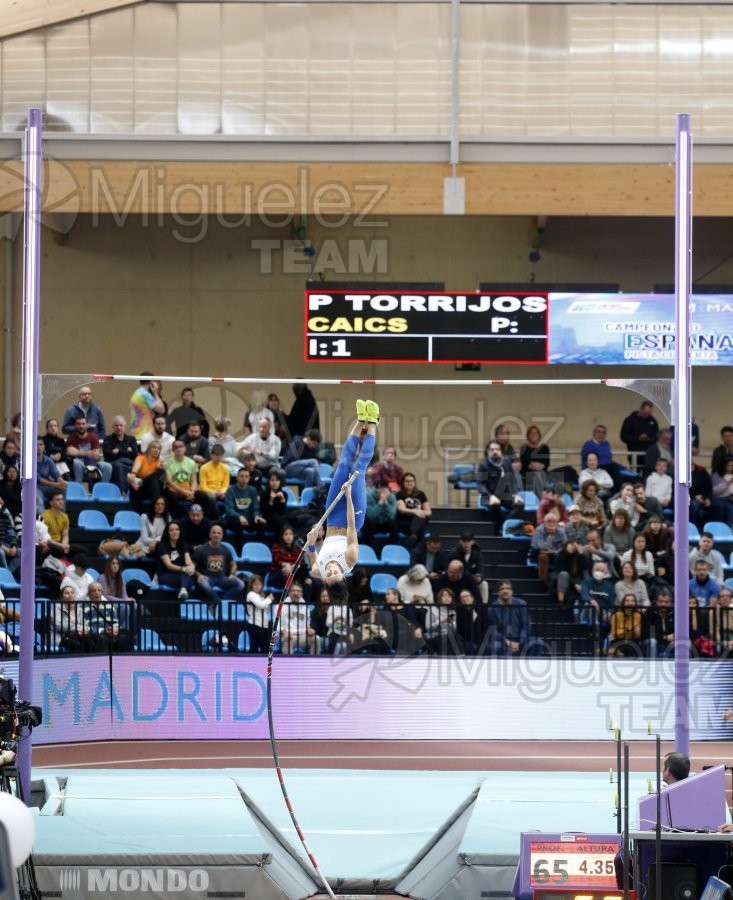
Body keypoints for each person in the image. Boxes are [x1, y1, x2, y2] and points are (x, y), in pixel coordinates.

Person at [305, 400, 379, 601]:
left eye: (328, 575)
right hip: (352, 517)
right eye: (334, 574)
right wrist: (348, 497)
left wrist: (312, 542)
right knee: (359, 468)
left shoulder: (317, 570)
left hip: (332, 518)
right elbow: (352, 528)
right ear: (343, 576)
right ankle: (372, 422)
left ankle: (360, 419)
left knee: (343, 464)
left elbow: (312, 552)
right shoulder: (350, 559)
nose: (329, 570)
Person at [192, 523, 245, 613]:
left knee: (241, 584)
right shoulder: (201, 549)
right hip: (207, 578)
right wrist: (199, 575)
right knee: (203, 583)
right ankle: (219, 603)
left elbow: (233, 564)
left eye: (218, 533)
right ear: (209, 534)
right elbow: (191, 566)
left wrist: (232, 574)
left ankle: (216, 604)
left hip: (222, 578)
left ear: (222, 535)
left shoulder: (225, 549)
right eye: (214, 533)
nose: (216, 535)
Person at [476, 440, 525, 531]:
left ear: (501, 451)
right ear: (488, 451)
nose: (495, 452)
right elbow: (480, 485)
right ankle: (504, 527)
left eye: (497, 449)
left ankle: (504, 526)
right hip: (489, 495)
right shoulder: (483, 465)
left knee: (520, 504)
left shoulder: (506, 462)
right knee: (494, 505)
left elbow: (512, 480)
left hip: (505, 495)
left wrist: (516, 495)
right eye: (492, 449)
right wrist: (490, 496)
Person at [487, 580, 539, 657]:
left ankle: (533, 666)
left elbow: (526, 625)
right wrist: (507, 642)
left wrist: (520, 642)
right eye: (502, 589)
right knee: (496, 646)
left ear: (512, 591)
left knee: (537, 642)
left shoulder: (521, 604)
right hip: (503, 639)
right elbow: (493, 629)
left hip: (520, 637)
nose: (505, 591)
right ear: (498, 592)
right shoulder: (492, 608)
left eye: (508, 588)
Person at [82, 581, 132, 652]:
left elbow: (115, 621)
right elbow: (86, 626)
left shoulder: (108, 605)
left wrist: (115, 629)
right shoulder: (84, 607)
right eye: (94, 591)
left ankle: (123, 662)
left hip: (110, 633)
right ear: (89, 594)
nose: (97, 593)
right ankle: (103, 662)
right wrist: (102, 631)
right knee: (102, 639)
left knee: (125, 637)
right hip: (96, 635)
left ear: (102, 593)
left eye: (99, 590)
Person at [223, 467, 266, 549]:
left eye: (246, 477)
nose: (244, 479)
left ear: (249, 478)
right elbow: (229, 509)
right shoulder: (231, 490)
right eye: (241, 476)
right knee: (237, 525)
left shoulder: (252, 490)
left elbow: (255, 506)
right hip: (234, 519)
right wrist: (239, 517)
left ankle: (256, 548)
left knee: (262, 524)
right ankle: (239, 550)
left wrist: (256, 515)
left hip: (248, 518)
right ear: (237, 477)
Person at [66, 415, 113, 484]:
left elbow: (96, 455)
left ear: (87, 425)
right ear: (75, 425)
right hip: (80, 465)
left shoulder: (93, 437)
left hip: (94, 463)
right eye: (78, 424)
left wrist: (77, 452)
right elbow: (69, 452)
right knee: (76, 461)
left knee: (108, 466)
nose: (81, 426)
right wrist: (89, 453)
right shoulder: (71, 438)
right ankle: (78, 488)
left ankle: (101, 489)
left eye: (83, 424)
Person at [154, 520, 195, 598]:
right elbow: (169, 565)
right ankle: (184, 592)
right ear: (167, 533)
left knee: (188, 576)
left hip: (180, 575)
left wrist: (191, 567)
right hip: (165, 575)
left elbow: (188, 561)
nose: (174, 532)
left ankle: (183, 590)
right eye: (171, 530)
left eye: (177, 529)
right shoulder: (161, 546)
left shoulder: (183, 545)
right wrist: (183, 569)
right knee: (188, 580)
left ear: (180, 531)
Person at [103, 415, 139, 494]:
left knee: (137, 468)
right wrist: (127, 451)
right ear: (113, 427)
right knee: (119, 467)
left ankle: (135, 493)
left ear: (125, 427)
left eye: (121, 425)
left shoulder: (131, 439)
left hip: (129, 463)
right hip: (115, 464)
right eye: (116, 425)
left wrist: (119, 451)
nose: (119, 428)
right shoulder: (107, 439)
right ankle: (121, 492)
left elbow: (134, 454)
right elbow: (108, 455)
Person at [580, 424, 624, 489]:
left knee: (622, 470)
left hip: (607, 468)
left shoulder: (606, 444)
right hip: (596, 468)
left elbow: (608, 458)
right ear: (594, 433)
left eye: (603, 433)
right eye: (598, 432)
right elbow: (589, 459)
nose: (601, 434)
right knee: (615, 470)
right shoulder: (588, 444)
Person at [620, 400, 659, 471]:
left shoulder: (653, 421)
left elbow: (657, 437)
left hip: (648, 455)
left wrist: (649, 439)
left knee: (648, 476)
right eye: (645, 413)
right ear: (641, 409)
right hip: (634, 454)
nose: (647, 415)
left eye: (649, 413)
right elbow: (624, 436)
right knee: (635, 476)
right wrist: (637, 438)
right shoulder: (629, 420)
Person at [128, 440, 165, 512]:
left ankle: (141, 481)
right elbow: (136, 467)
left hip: (150, 488)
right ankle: (156, 511)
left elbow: (164, 480)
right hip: (141, 489)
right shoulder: (141, 458)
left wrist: (162, 468)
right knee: (154, 481)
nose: (156, 450)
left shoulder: (160, 462)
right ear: (148, 449)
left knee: (159, 474)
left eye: (158, 448)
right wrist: (133, 474)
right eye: (154, 447)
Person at [450, 532, 488, 603]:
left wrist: (479, 576)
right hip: (458, 580)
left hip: (473, 581)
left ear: (473, 542)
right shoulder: (454, 553)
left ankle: (483, 608)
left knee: (484, 584)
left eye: (469, 541)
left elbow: (480, 569)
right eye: (464, 541)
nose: (466, 544)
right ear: (460, 542)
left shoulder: (477, 554)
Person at [163, 439, 199, 515]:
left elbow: (194, 480)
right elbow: (169, 481)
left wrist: (192, 492)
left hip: (188, 488)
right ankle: (173, 518)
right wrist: (184, 492)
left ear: (185, 448)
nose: (178, 449)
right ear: (173, 450)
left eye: (181, 446)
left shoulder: (192, 462)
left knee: (203, 496)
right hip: (174, 489)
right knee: (173, 497)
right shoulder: (167, 463)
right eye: (176, 447)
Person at [530, 513, 566, 587]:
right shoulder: (539, 530)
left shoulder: (561, 531)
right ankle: (543, 582)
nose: (551, 524)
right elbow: (540, 546)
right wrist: (551, 536)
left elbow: (565, 546)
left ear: (557, 523)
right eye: (549, 521)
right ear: (544, 522)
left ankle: (559, 581)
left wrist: (554, 552)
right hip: (539, 553)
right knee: (543, 556)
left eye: (554, 522)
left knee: (563, 555)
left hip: (555, 554)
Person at [196, 443, 231, 518]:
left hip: (220, 491)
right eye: (216, 455)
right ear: (211, 455)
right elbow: (203, 486)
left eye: (221, 455)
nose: (219, 457)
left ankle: (232, 516)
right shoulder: (204, 468)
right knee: (211, 497)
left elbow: (225, 484)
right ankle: (217, 517)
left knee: (232, 493)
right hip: (207, 491)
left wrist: (222, 492)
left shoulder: (225, 468)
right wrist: (215, 493)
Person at [99, 556, 133, 631]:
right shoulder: (102, 578)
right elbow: (105, 596)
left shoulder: (121, 578)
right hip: (106, 603)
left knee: (135, 606)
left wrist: (128, 600)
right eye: (113, 563)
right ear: (108, 565)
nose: (115, 565)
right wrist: (124, 600)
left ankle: (134, 631)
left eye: (117, 563)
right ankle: (122, 629)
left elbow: (124, 595)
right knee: (125, 607)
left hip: (118, 602)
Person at [129, 373, 166, 441]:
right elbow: (161, 409)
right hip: (144, 434)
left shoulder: (136, 393)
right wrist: (155, 393)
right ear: (151, 382)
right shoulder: (145, 395)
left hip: (136, 432)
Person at [641, 588, 675, 658]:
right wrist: (664, 637)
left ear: (671, 603)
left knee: (684, 643)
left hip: (671, 643)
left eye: (666, 602)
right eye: (661, 601)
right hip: (654, 641)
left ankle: (682, 667)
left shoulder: (675, 613)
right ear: (656, 602)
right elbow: (649, 633)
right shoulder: (650, 613)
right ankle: (652, 666)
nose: (663, 604)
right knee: (652, 642)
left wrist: (675, 637)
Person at [36, 438, 66, 515]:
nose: (38, 447)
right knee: (38, 500)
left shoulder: (48, 460)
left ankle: (61, 516)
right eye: (36, 445)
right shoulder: (29, 461)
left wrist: (62, 483)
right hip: (36, 487)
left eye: (41, 444)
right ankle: (44, 522)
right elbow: (39, 480)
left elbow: (56, 475)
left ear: (44, 447)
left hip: (48, 487)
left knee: (63, 490)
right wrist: (56, 484)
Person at [245, 573, 273, 654]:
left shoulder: (260, 596)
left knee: (265, 649)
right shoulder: (251, 594)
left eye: (260, 584)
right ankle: (252, 665)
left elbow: (267, 610)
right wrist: (269, 599)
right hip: (255, 625)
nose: (258, 586)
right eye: (255, 584)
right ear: (251, 585)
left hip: (263, 625)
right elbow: (261, 605)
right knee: (254, 649)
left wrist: (266, 601)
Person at [42, 490, 71, 557]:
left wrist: (64, 545)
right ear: (51, 503)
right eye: (58, 500)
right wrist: (62, 546)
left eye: (62, 499)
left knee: (82, 550)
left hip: (60, 543)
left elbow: (65, 535)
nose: (61, 502)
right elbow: (44, 538)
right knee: (59, 551)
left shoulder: (65, 516)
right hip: (49, 543)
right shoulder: (45, 516)